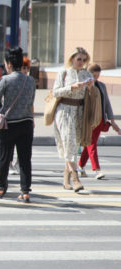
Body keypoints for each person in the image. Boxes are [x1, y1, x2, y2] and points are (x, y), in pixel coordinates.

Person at [0, 47, 36, 202]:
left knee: (4, 157)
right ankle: (25, 191)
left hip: (10, 125)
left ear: (8, 64)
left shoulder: (6, 80)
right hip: (27, 123)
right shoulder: (31, 80)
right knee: (25, 159)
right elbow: (31, 101)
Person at [52, 47, 100, 192]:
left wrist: (91, 88)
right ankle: (75, 178)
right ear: (72, 59)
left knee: (74, 145)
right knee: (69, 142)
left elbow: (94, 96)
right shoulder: (63, 73)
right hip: (64, 111)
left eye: (84, 59)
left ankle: (66, 176)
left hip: (80, 112)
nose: (81, 62)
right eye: (79, 59)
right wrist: (71, 87)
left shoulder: (86, 74)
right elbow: (55, 92)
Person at [78, 63, 121, 179]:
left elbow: (107, 104)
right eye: (93, 75)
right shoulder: (83, 86)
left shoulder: (101, 86)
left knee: (90, 144)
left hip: (100, 120)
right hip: (87, 120)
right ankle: (97, 170)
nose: (96, 78)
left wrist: (112, 121)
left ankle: (80, 166)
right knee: (91, 144)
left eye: (98, 75)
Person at [9, 56, 31, 175]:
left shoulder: (29, 81)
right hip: (12, 117)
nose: (25, 70)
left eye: (27, 68)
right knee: (10, 144)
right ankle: (9, 164)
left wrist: (32, 118)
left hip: (25, 117)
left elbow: (31, 102)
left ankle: (18, 162)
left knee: (23, 146)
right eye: (23, 67)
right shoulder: (10, 80)